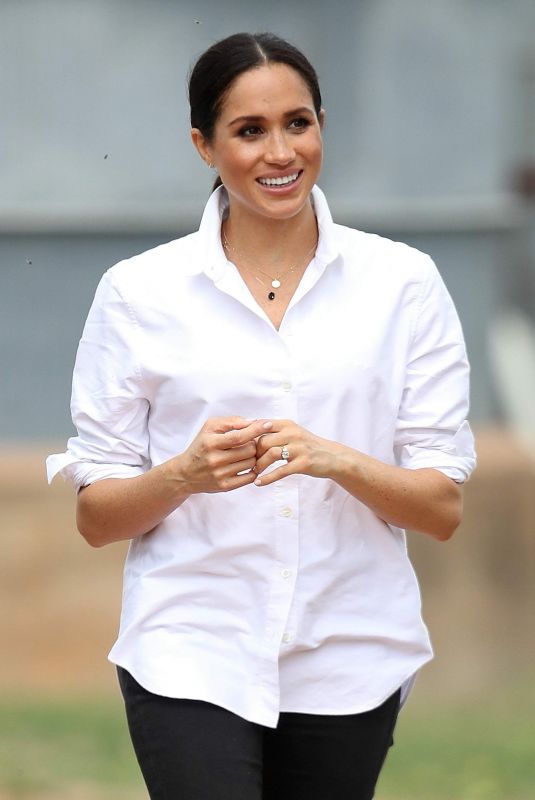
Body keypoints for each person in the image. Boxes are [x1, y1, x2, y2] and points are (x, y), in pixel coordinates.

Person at [47, 31, 476, 800]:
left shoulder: (403, 284)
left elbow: (440, 509)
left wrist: (335, 458)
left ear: (320, 126)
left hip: (350, 648)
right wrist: (184, 474)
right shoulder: (138, 292)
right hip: (189, 645)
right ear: (203, 145)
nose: (280, 152)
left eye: (298, 123)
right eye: (249, 131)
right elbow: (96, 519)